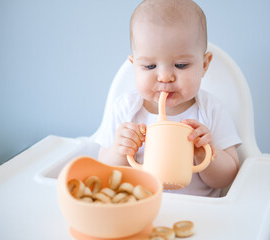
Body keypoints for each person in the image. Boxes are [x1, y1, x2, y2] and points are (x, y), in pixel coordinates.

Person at [95, 0, 242, 197]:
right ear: (134, 66)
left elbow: (229, 177)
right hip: (138, 208)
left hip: (199, 214)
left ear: (204, 65)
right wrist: (118, 152)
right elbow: (103, 169)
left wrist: (206, 155)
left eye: (181, 65)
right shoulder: (126, 109)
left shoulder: (210, 110)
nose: (165, 77)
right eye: (149, 67)